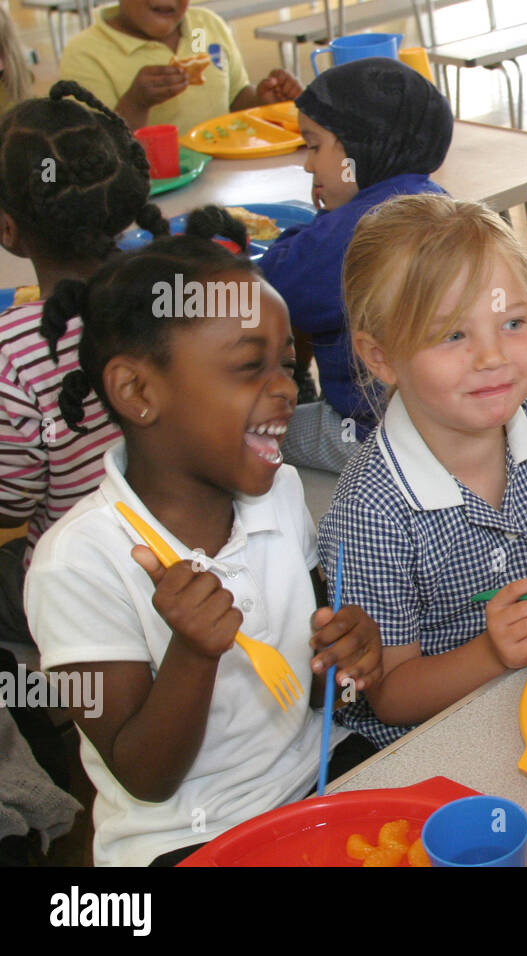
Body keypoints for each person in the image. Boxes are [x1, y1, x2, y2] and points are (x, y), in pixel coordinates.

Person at [23, 212, 383, 866]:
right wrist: (193, 652)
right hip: (187, 837)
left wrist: (347, 651)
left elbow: (308, 668)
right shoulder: (73, 563)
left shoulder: (277, 490)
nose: (285, 391)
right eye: (251, 368)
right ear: (137, 391)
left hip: (315, 776)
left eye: (287, 364)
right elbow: (145, 776)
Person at [317, 193, 527, 748]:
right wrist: (491, 653)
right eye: (452, 335)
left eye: (513, 322)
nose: (493, 357)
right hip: (437, 739)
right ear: (381, 358)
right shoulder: (370, 512)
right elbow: (391, 695)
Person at [0, 81, 172, 646]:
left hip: (87, 586)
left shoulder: (15, 354)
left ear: (8, 230)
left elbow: (11, 505)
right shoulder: (182, 292)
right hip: (196, 555)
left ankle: (48, 719)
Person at [259, 58, 455, 472]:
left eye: (314, 146)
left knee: (249, 428)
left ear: (361, 147)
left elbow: (275, 289)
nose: (308, 165)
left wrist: (323, 222)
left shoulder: (356, 231)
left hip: (372, 436)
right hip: (448, 421)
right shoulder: (433, 199)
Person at [57, 0, 301, 131]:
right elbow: (93, 149)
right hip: (146, 192)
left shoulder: (206, 26)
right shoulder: (86, 53)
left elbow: (235, 96)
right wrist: (135, 104)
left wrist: (263, 101)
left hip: (223, 179)